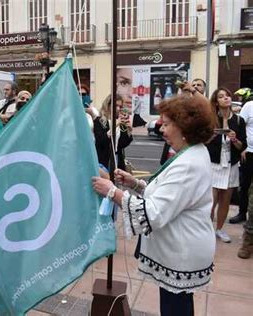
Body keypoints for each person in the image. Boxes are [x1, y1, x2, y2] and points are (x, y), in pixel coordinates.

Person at [92, 85, 216, 316]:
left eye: (167, 124)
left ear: (185, 127)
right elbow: (170, 196)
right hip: (178, 249)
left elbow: (152, 214)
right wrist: (135, 184)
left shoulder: (189, 162)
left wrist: (112, 191)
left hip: (181, 252)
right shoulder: (189, 152)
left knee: (175, 309)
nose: (162, 128)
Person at [206, 88, 247, 243]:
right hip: (213, 163)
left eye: (227, 95)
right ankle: (207, 228)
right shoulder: (210, 119)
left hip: (231, 164)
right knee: (211, 199)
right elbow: (202, 142)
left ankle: (220, 229)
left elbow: (242, 147)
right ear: (216, 102)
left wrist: (235, 139)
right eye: (221, 97)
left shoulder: (238, 120)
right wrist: (212, 136)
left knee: (225, 199)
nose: (226, 98)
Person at [93, 94, 133, 171]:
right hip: (103, 159)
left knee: (116, 182)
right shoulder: (99, 121)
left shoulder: (120, 121)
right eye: (115, 105)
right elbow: (100, 141)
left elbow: (123, 144)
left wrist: (129, 131)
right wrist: (115, 125)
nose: (118, 109)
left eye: (120, 106)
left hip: (117, 158)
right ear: (108, 105)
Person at [232, 92, 253, 224]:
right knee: (244, 185)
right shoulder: (249, 106)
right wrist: (243, 147)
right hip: (249, 153)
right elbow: (240, 127)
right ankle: (242, 213)